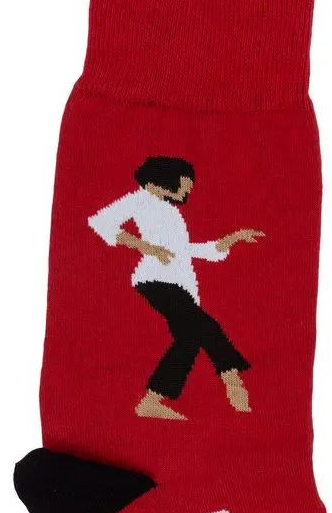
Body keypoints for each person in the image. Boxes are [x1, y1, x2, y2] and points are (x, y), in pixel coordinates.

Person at [88, 156, 264, 420]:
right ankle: (233, 382)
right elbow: (102, 222)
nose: (187, 191)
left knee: (189, 339)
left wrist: (230, 240)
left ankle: (152, 400)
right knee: (206, 327)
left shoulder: (170, 211)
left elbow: (183, 250)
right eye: (184, 184)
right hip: (156, 279)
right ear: (166, 179)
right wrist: (147, 248)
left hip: (179, 284)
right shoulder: (140, 199)